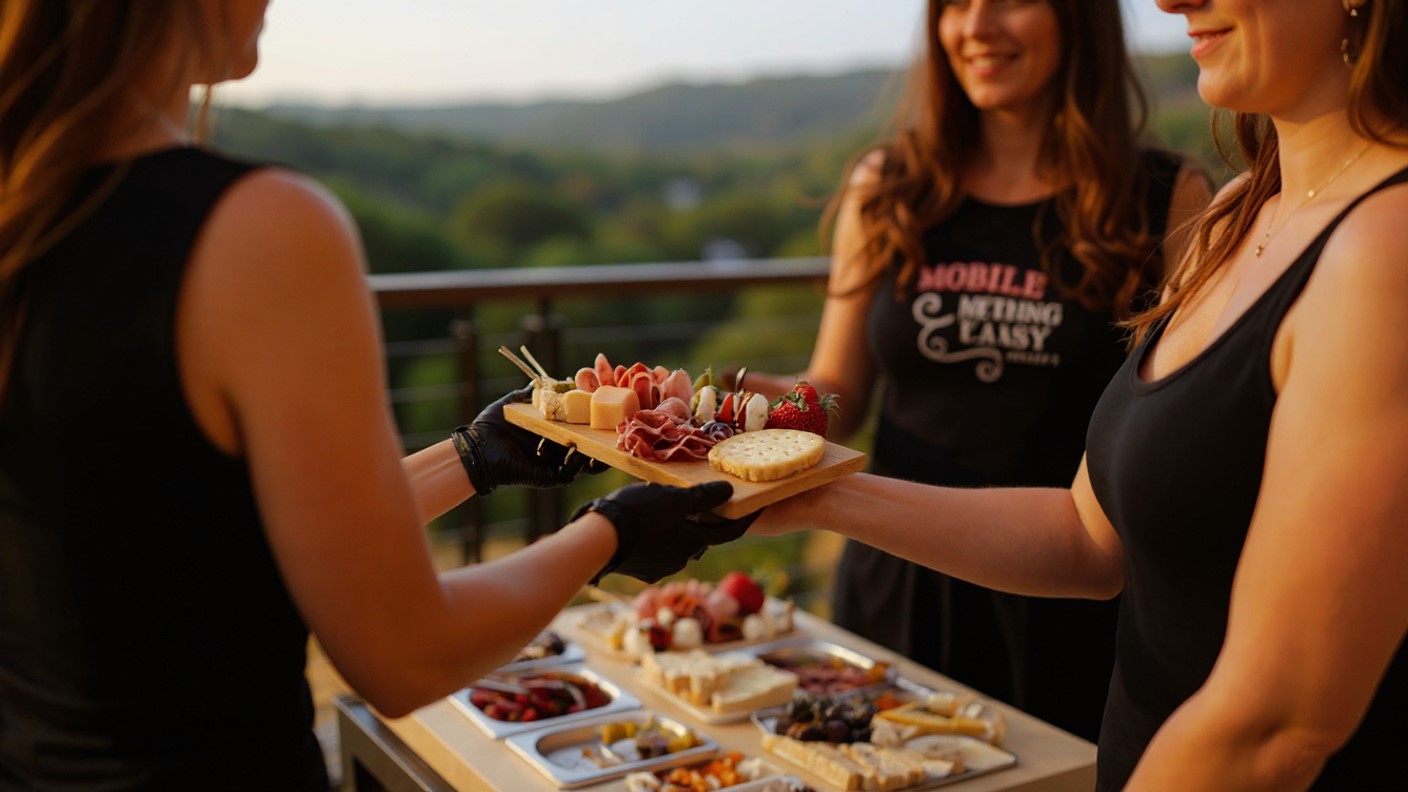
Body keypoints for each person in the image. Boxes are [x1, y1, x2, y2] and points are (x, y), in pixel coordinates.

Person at [0, 3, 752, 788]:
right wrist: (612, 533)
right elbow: (405, 656)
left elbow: (182, 542)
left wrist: (470, 459)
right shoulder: (259, 229)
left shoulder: (28, 210)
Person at [752, 0, 1408, 787]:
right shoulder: (1236, 217)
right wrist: (793, 479)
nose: (1169, 1)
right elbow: (1087, 534)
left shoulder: (1370, 245)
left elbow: (1278, 718)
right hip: (928, 606)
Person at [741, 0, 1210, 740]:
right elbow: (838, 388)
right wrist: (748, 403)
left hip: (1066, 593)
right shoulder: (888, 185)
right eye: (955, 4)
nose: (977, 26)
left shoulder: (1166, 197)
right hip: (896, 575)